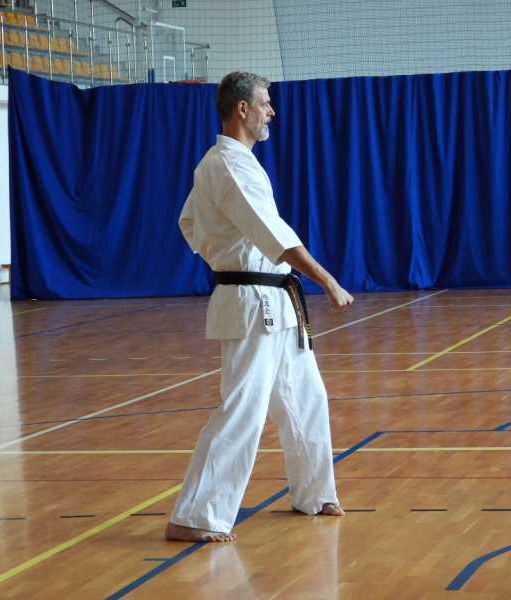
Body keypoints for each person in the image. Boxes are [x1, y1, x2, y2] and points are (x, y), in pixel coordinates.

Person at [165, 71, 354, 543]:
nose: (272, 111)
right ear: (242, 109)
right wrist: (328, 280)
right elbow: (276, 236)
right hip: (251, 301)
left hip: (275, 298)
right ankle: (195, 515)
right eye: (265, 103)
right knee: (243, 409)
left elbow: (190, 221)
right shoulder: (227, 165)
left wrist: (222, 249)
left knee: (305, 398)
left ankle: (313, 494)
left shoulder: (228, 163)